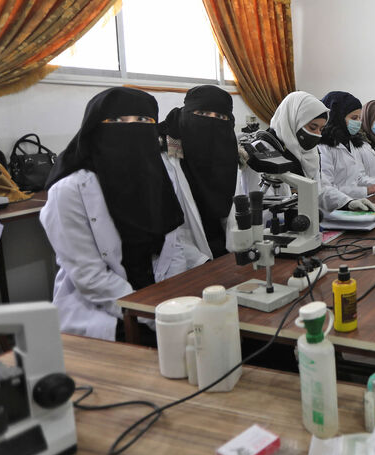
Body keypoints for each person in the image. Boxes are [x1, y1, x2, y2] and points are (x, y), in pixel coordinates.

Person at [40, 87, 186, 341]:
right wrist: (149, 313)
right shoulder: (69, 191)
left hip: (158, 297)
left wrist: (173, 303)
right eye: (119, 121)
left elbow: (174, 249)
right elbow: (90, 278)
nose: (133, 129)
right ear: (96, 129)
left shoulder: (158, 178)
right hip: (101, 310)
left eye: (143, 121)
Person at [159, 85, 238, 267]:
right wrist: (202, 263)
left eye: (220, 117)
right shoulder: (166, 157)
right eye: (202, 114)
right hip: (185, 263)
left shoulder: (231, 156)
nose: (211, 122)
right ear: (186, 114)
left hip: (227, 254)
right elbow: (172, 233)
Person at [266, 91, 375, 214]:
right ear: (294, 120)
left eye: (321, 129)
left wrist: (347, 202)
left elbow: (320, 190)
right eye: (313, 127)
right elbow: (257, 203)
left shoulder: (310, 153)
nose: (317, 135)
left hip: (307, 222)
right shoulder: (265, 150)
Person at [318, 91, 375, 200]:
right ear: (338, 117)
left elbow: (359, 178)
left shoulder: (350, 143)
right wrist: (365, 191)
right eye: (354, 118)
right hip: (335, 209)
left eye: (359, 118)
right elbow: (326, 189)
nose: (359, 122)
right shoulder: (324, 148)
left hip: (353, 203)